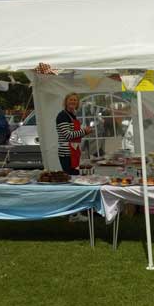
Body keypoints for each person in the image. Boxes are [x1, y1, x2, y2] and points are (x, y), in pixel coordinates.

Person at [56, 93, 93, 222]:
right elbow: (67, 135)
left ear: (77, 103)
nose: (73, 102)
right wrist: (84, 131)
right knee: (72, 183)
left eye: (75, 100)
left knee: (74, 182)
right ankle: (72, 213)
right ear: (66, 102)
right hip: (67, 154)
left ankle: (71, 212)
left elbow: (74, 135)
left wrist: (83, 132)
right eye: (70, 100)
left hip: (74, 153)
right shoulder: (62, 116)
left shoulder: (72, 115)